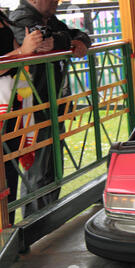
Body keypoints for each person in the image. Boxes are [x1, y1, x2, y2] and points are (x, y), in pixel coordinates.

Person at [9, 0, 91, 217]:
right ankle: (33, 226)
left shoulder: (48, 20)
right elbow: (42, 42)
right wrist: (65, 41)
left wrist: (75, 41)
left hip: (50, 104)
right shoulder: (21, 19)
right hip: (33, 107)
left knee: (52, 169)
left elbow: (77, 34)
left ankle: (44, 222)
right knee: (37, 171)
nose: (57, 1)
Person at [0, 9, 42, 224]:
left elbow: (14, 50)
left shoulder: (3, 17)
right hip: (3, 104)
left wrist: (29, 48)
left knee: (10, 167)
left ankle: (8, 228)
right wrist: (21, 52)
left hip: (13, 104)